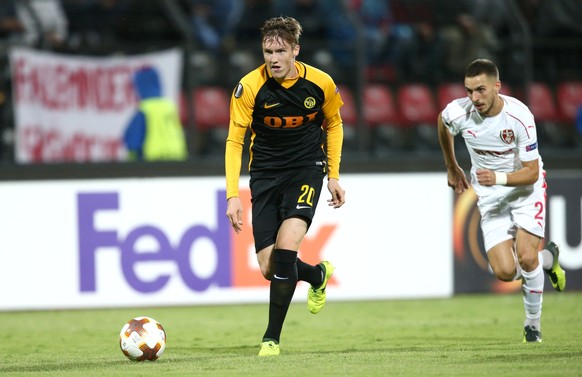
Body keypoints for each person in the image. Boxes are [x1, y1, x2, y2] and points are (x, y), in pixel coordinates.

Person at [224, 16, 346, 356]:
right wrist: (233, 195)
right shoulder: (249, 87)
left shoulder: (320, 83)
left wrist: (333, 174)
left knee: (287, 247)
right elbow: (235, 141)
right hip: (264, 175)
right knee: (269, 266)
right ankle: (317, 275)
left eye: (280, 51)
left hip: (306, 170)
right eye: (267, 51)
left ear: (296, 50)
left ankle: (271, 339)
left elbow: (334, 124)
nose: (273, 58)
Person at [437, 58, 566, 343]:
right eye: (469, 91)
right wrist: (451, 165)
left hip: (523, 189)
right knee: (505, 272)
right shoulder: (458, 112)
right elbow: (442, 123)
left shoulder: (519, 117)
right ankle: (549, 259)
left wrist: (498, 178)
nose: (474, 97)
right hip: (489, 195)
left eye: (481, 90)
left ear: (497, 86)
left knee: (526, 256)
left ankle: (532, 325)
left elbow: (531, 173)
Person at [123, 66, 188, 161]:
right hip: (176, 159)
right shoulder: (169, 106)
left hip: (152, 162)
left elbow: (132, 140)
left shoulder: (145, 109)